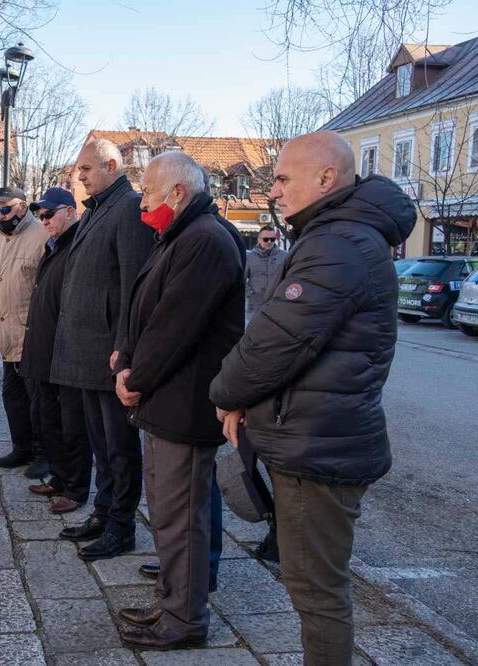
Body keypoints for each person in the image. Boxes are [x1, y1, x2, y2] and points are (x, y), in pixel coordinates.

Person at [210, 131, 416, 666]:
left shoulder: (338, 243)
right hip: (316, 437)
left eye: (281, 178)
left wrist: (225, 394)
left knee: (317, 593)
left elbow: (275, 341)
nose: (273, 191)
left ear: (326, 178)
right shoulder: (337, 236)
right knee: (314, 587)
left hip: (318, 448)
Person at [114, 151, 244, 650]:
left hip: (184, 403)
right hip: (166, 401)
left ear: (177, 193)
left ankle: (185, 620)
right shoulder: (181, 235)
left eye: (147, 192)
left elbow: (174, 325)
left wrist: (137, 376)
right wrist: (127, 359)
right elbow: (146, 309)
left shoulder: (206, 240)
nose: (142, 201)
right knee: (168, 515)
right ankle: (172, 602)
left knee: (182, 517)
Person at [51, 139, 155, 561]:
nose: (80, 177)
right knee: (100, 444)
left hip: (108, 356)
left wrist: (124, 351)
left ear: (112, 165)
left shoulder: (128, 208)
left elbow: (134, 286)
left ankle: (121, 527)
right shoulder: (97, 210)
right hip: (84, 354)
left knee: (119, 448)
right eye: (79, 171)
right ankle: (102, 511)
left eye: (87, 170)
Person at [19, 188, 91, 514]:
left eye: (49, 215)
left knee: (71, 425)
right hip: (43, 351)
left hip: (64, 354)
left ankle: (76, 488)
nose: (44, 221)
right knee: (47, 420)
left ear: (69, 211)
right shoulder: (55, 245)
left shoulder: (78, 244)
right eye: (41, 216)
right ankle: (60, 477)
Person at [0, 186, 49, 477]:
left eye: (6, 209)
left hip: (32, 333)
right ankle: (21, 447)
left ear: (23, 207)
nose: (0, 215)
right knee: (12, 396)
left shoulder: (41, 236)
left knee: (39, 400)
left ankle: (43, 453)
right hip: (7, 332)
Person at [245, 225, 287, 321]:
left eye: (272, 239)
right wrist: (250, 294)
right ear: (259, 239)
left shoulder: (284, 256)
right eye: (266, 239)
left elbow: (289, 277)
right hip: (255, 305)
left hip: (277, 303)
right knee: (254, 333)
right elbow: (241, 280)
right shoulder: (249, 257)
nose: (269, 242)